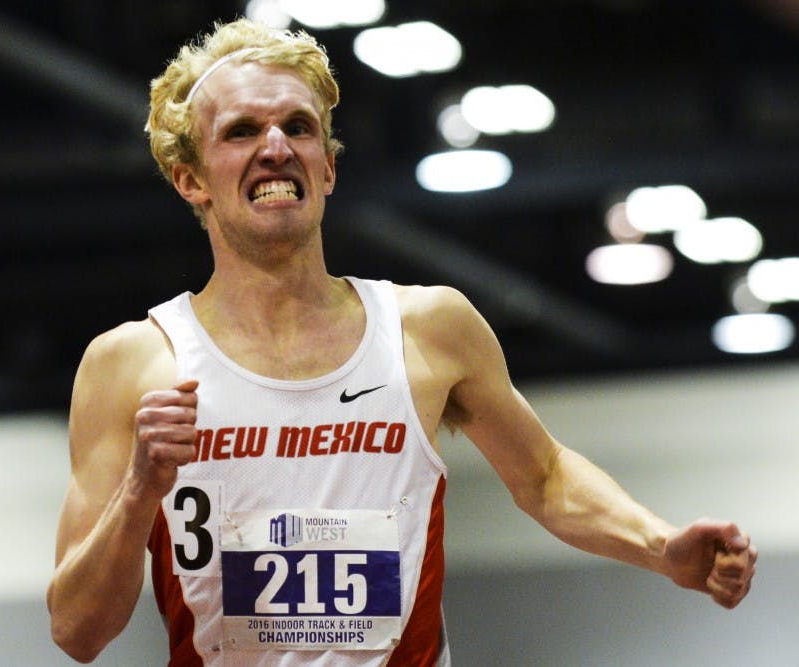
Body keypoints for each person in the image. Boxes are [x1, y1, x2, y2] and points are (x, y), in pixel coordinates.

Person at [46, 18, 757, 666]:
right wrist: (141, 488)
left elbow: (545, 476)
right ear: (190, 178)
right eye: (240, 131)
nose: (274, 147)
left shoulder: (428, 327)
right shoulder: (137, 361)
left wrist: (662, 547)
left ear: (326, 165)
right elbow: (77, 630)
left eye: (298, 126)